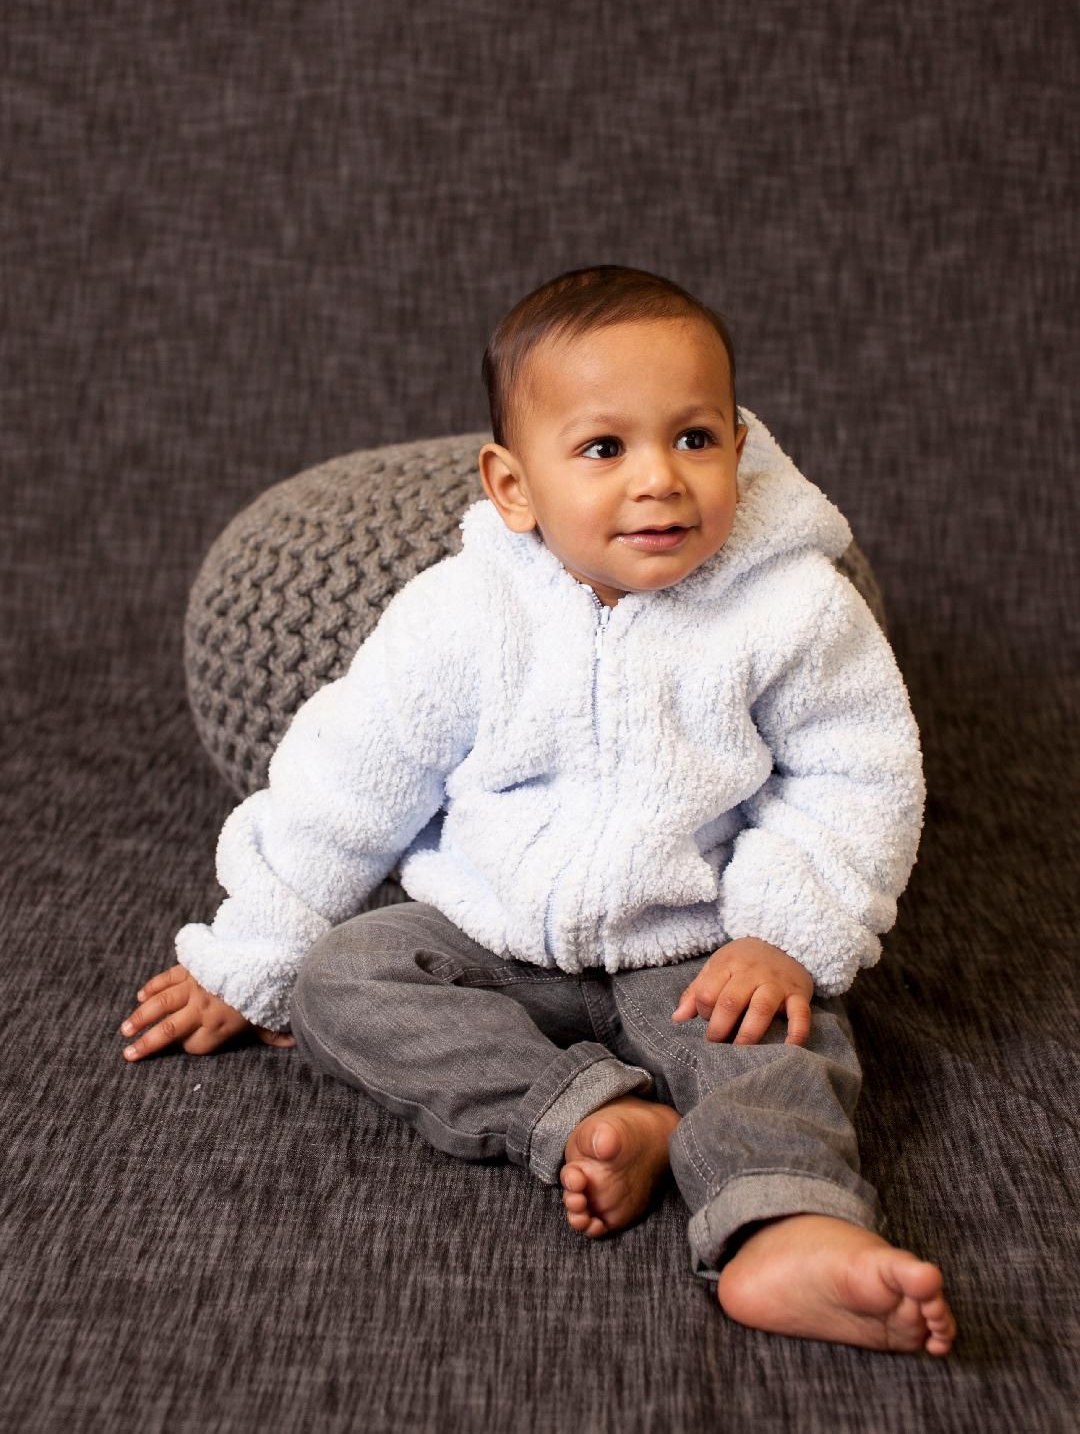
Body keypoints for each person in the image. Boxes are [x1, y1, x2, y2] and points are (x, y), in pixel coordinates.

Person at [118, 264, 956, 1355]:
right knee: (343, 982)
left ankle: (787, 1226)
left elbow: (858, 775)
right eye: (605, 448)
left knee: (777, 1045)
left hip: (694, 940)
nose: (659, 479)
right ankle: (593, 1114)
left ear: (740, 448)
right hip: (491, 933)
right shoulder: (464, 615)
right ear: (513, 487)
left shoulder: (793, 608)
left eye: (694, 438)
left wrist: (783, 935)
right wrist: (252, 957)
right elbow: (346, 781)